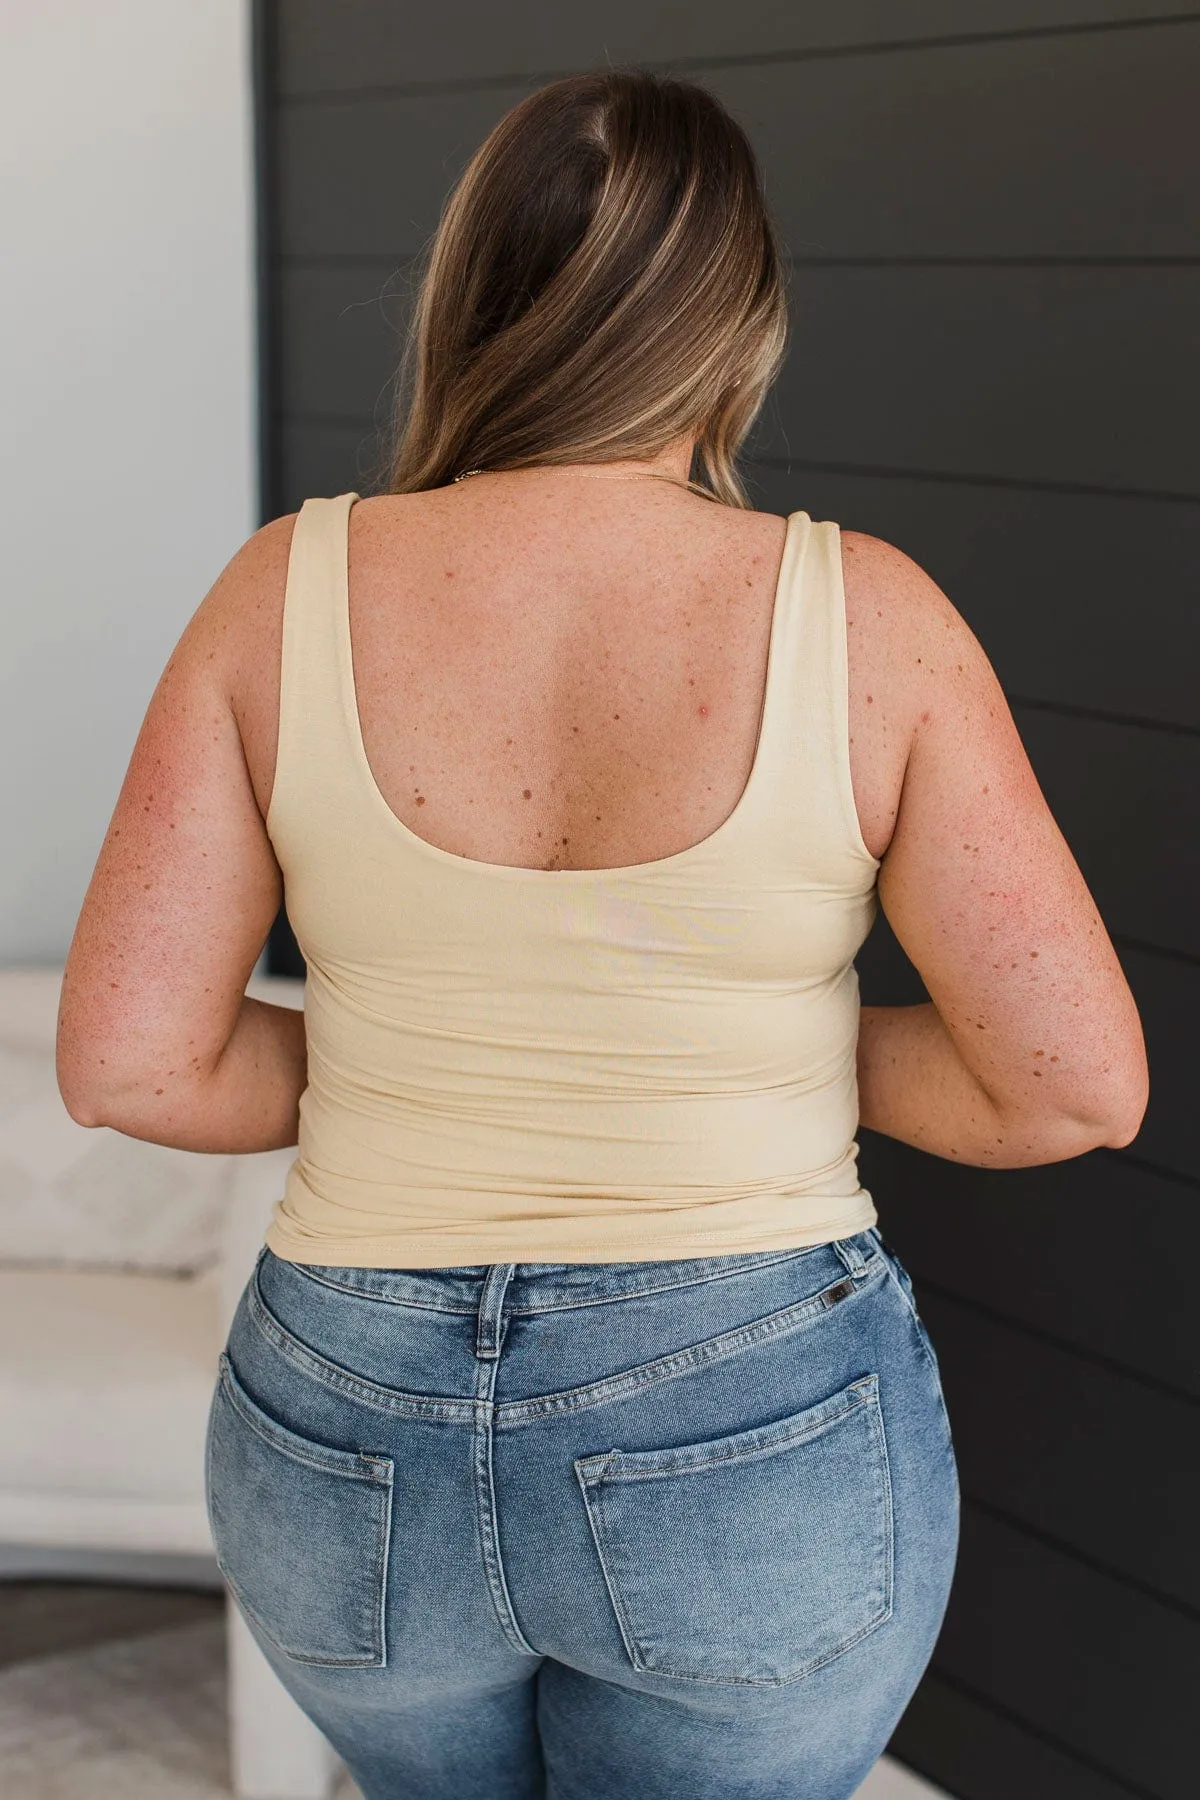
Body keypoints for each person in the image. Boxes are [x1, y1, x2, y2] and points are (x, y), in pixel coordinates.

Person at [57, 67, 1147, 1800]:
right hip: (750, 1413)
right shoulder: (868, 615)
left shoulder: (283, 589)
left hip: (349, 1419)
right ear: (745, 324)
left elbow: (131, 1060)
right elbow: (1069, 1091)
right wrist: (729, 1051)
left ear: (465, 301)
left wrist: (452, 1056)